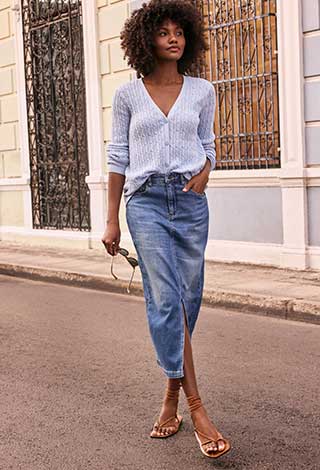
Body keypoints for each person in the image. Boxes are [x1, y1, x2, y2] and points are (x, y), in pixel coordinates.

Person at [101, 0, 231, 459]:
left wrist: (207, 169)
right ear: (146, 41)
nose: (173, 38)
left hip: (191, 201)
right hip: (147, 202)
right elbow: (118, 158)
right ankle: (197, 408)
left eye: (179, 31)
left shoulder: (202, 90)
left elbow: (209, 143)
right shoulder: (128, 96)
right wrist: (113, 217)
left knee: (188, 297)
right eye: (164, 32)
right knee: (168, 297)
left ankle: (169, 398)